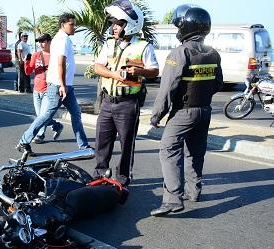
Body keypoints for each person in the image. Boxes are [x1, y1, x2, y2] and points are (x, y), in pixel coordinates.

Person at [149, 4, 223, 216]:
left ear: (187, 27)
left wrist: (157, 116)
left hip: (184, 111)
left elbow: (167, 88)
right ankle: (194, 191)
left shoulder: (180, 53)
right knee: (196, 152)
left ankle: (173, 200)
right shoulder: (213, 53)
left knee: (169, 149)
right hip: (204, 111)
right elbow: (218, 83)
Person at [93, 0, 159, 187]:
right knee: (102, 141)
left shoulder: (144, 47)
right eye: (113, 23)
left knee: (126, 144)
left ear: (130, 26)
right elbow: (98, 67)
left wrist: (138, 72)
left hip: (128, 103)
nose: (114, 27)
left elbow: (154, 71)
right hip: (107, 102)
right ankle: (99, 174)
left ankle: (122, 179)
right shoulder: (108, 45)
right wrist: (114, 74)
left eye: (118, 24)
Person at [16, 13, 90, 154]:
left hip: (66, 86)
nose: (74, 27)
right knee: (45, 115)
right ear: (63, 25)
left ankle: (84, 146)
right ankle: (24, 141)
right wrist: (62, 85)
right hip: (58, 86)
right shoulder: (62, 39)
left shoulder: (63, 38)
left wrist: (65, 85)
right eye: (72, 24)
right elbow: (60, 63)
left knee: (76, 114)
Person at [23, 33, 64, 144]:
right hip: (37, 90)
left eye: (43, 41)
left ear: (49, 42)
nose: (41, 44)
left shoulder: (55, 56)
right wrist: (26, 61)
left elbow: (61, 70)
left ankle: (40, 135)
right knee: (40, 116)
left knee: (42, 116)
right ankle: (57, 125)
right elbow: (28, 71)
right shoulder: (36, 55)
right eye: (39, 42)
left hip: (49, 90)